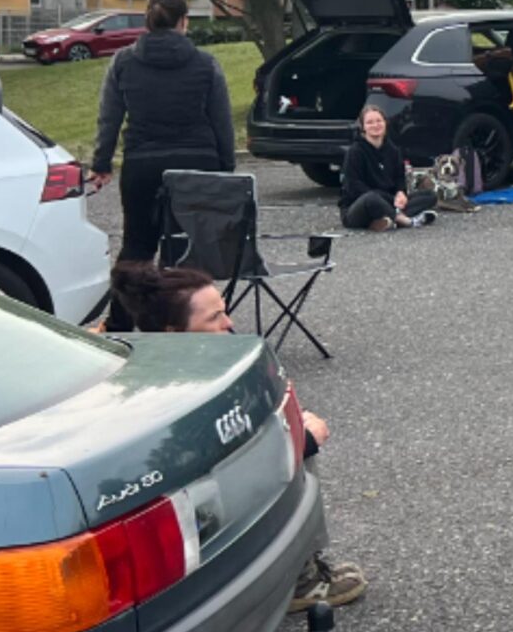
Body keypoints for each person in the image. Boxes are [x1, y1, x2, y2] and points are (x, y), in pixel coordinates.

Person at [105, 260, 366, 613]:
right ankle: (299, 580)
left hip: (194, 504)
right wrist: (301, 440)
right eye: (214, 319)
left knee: (295, 430)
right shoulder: (178, 395)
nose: (228, 324)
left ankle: (295, 567)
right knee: (301, 445)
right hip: (186, 519)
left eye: (224, 311)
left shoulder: (181, 366)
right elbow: (221, 471)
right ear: (173, 332)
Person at [87, 0, 236, 268]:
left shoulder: (123, 61)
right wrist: (226, 166)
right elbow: (221, 120)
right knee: (186, 248)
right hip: (197, 163)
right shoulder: (206, 64)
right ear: (184, 21)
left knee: (137, 245)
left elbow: (109, 118)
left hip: (142, 164)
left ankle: (130, 297)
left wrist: (101, 163)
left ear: (148, 21)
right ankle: (181, 295)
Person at [339, 107, 435, 231]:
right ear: (363, 127)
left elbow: (399, 177)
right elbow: (353, 186)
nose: (375, 125)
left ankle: (382, 220)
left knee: (429, 195)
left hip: (390, 201)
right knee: (371, 198)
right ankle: (404, 220)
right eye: (370, 122)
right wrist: (389, 199)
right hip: (359, 205)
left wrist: (400, 193)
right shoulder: (355, 152)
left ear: (385, 123)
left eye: (379, 121)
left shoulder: (393, 150)